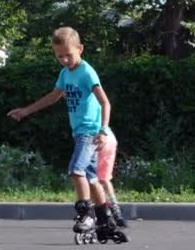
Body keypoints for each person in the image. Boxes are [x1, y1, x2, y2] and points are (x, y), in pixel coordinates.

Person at [7, 26, 120, 235]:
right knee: (92, 178)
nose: (65, 60)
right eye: (60, 57)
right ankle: (105, 220)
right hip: (79, 133)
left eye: (68, 55)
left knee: (76, 171)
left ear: (80, 48)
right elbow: (53, 96)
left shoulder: (86, 72)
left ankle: (85, 215)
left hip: (90, 132)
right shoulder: (65, 74)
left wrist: (103, 131)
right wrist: (26, 111)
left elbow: (105, 103)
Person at [97, 129, 128, 227]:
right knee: (104, 178)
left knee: (91, 179)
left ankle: (98, 211)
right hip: (110, 138)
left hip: (97, 138)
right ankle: (115, 209)